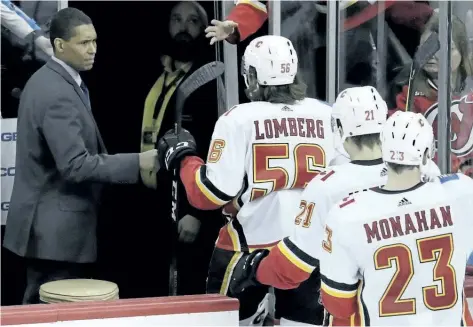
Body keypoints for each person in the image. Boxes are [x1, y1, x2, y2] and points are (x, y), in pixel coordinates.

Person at [157, 35, 344, 326]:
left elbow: (210, 193)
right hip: (310, 248)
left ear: (253, 76)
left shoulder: (238, 119)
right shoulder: (327, 114)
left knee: (227, 322)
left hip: (247, 246)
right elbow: (342, 184)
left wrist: (184, 158)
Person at [2, 7, 158, 305]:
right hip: (55, 236)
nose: (93, 50)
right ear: (60, 45)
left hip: (51, 232)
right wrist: (140, 161)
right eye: (84, 43)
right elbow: (75, 165)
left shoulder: (56, 80)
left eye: (95, 41)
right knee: (48, 316)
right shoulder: (55, 91)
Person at [317, 111, 473, 325]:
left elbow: (338, 303)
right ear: (427, 155)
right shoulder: (462, 192)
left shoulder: (348, 213)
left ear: (384, 150)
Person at [138, 1, 223, 296]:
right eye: (177, 19)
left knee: (188, 287)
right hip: (154, 200)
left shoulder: (212, 81)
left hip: (189, 209)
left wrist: (197, 212)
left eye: (193, 21)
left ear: (205, 29)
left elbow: (217, 151)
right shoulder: (160, 74)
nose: (183, 28)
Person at [391, 11, 473, 174]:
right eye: (427, 47)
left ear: (462, 52)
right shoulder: (409, 94)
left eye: (445, 48)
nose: (432, 56)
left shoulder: (469, 90)